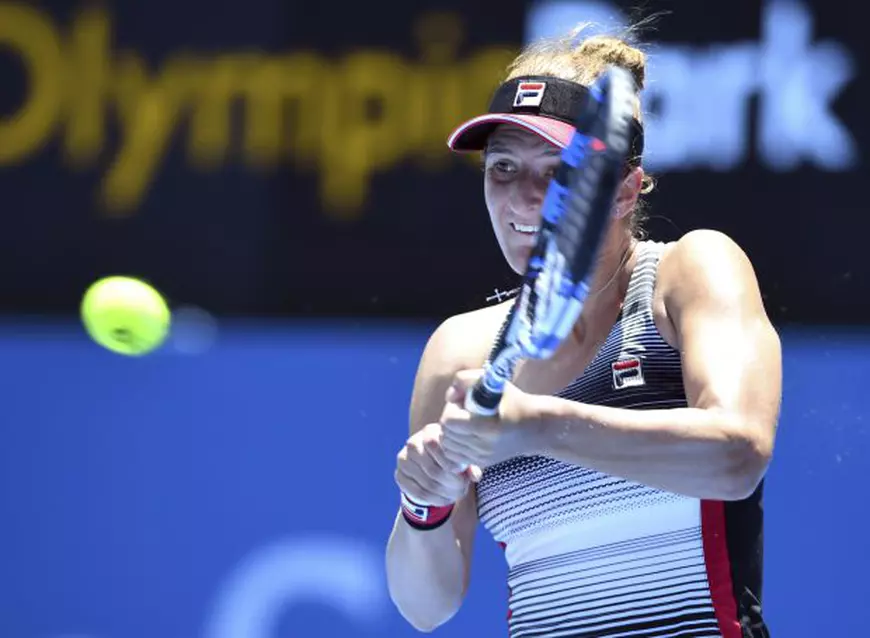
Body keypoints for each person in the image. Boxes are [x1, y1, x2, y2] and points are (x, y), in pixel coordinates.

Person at [385, 23, 782, 638]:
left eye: (557, 170)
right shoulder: (459, 349)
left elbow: (738, 455)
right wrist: (424, 508)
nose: (522, 200)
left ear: (624, 188)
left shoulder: (690, 271)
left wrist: (538, 424)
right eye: (504, 168)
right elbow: (426, 606)